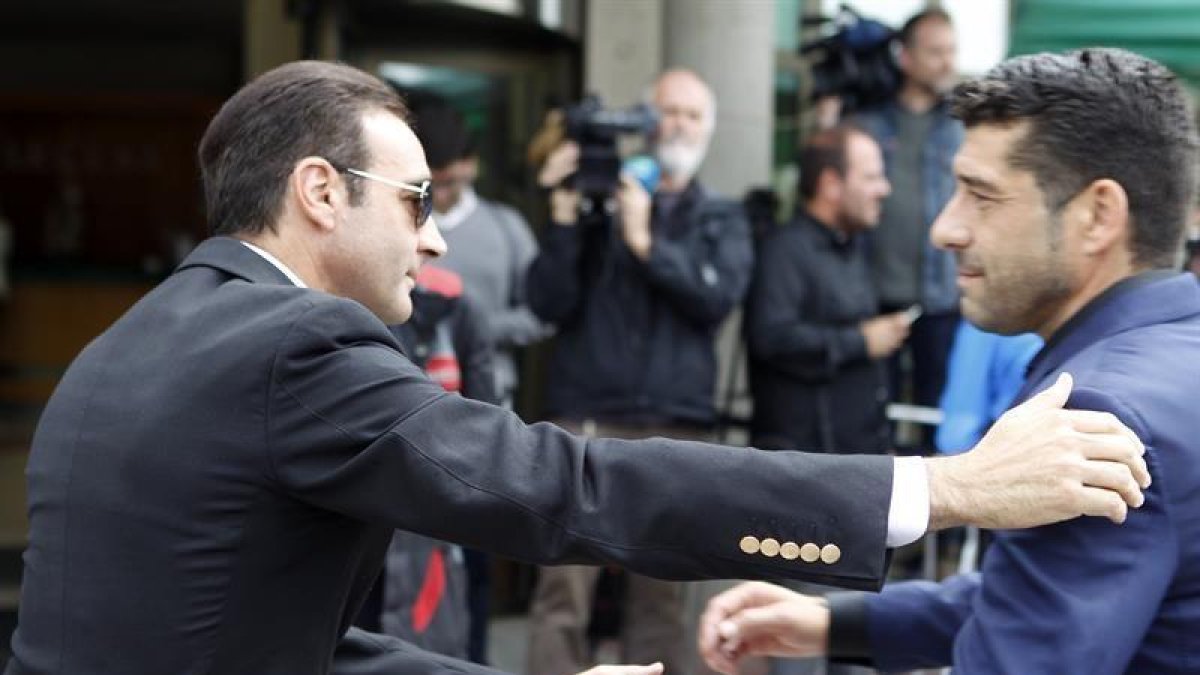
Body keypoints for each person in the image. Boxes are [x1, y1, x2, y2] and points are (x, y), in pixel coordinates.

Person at [4, 60, 1150, 675]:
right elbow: (565, 487)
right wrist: (939, 488)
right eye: (416, 203)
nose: (438, 237)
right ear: (317, 192)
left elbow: (282, 647)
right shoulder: (297, 344)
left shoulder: (136, 338)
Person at [700, 48, 1200, 674]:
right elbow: (1041, 593)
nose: (944, 229)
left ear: (1098, 216)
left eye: (980, 195)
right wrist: (833, 622)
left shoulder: (1093, 417)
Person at [523, 68, 755, 675]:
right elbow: (547, 302)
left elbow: (716, 302)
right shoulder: (598, 199)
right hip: (586, 419)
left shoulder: (722, 218)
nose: (677, 124)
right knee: (561, 594)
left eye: (691, 115)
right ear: (644, 121)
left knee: (661, 599)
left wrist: (649, 243)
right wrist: (568, 217)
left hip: (674, 427)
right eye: (667, 111)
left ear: (708, 129)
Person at [745, 125, 908, 456]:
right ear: (831, 184)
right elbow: (772, 339)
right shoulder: (785, 250)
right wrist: (861, 342)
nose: (884, 189)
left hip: (853, 459)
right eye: (871, 177)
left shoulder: (852, 247)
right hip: (806, 468)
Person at [852, 8, 963, 423]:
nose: (947, 62)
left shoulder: (961, 125)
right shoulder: (867, 123)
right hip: (874, 297)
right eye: (935, 52)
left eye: (951, 51)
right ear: (906, 57)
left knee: (941, 418)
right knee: (874, 418)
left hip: (943, 301)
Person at [410, 99, 550, 409]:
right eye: (429, 185)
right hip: (407, 390)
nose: (440, 195)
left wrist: (472, 327)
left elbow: (541, 311)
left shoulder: (506, 226)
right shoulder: (398, 225)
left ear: (470, 165)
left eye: (449, 183)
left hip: (490, 394)